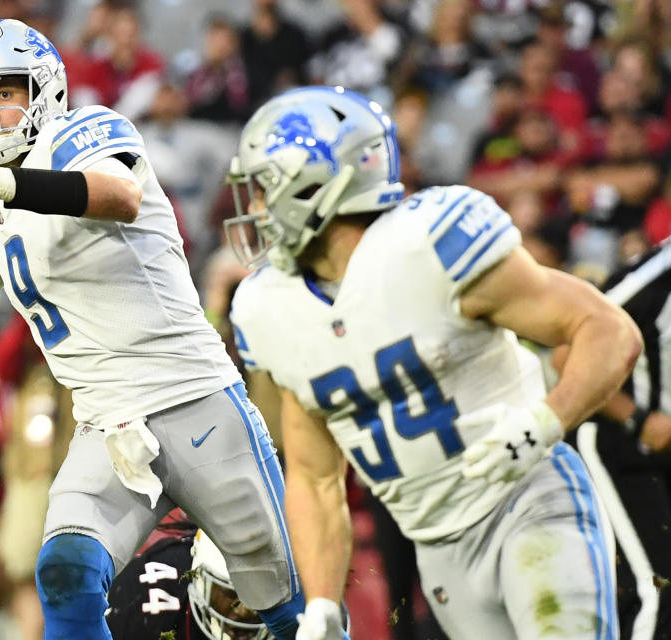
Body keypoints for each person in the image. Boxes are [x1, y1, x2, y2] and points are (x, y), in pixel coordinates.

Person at [0, 18, 308, 640]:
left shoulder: (86, 131)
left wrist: (5, 184)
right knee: (65, 573)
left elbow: (117, 195)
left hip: (196, 405)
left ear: (43, 89)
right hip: (107, 426)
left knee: (284, 609)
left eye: (3, 92)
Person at [225, 85, 642, 639]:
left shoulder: (429, 246)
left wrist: (545, 422)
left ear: (316, 182)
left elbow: (608, 330)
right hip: (438, 549)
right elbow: (315, 476)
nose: (254, 208)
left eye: (263, 189)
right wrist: (323, 603)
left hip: (526, 501)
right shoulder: (268, 307)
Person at [561, 242, 671, 638]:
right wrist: (638, 419)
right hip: (617, 447)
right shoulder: (650, 279)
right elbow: (566, 350)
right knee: (658, 588)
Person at [106, 524, 273, 640]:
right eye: (232, 593)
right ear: (199, 578)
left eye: (259, 590)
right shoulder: (145, 601)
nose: (244, 611)